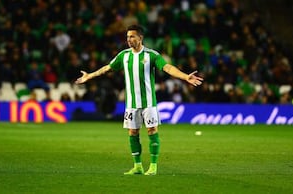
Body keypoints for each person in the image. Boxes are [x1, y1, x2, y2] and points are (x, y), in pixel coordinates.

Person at [75, 25, 203, 175]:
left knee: (152, 130)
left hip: (149, 102)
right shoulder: (124, 55)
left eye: (132, 36)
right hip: (131, 104)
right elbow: (107, 68)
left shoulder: (152, 55)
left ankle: (153, 166)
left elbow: (168, 68)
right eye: (127, 37)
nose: (129, 40)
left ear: (140, 38)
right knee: (132, 132)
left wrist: (185, 76)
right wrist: (89, 76)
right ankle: (138, 166)